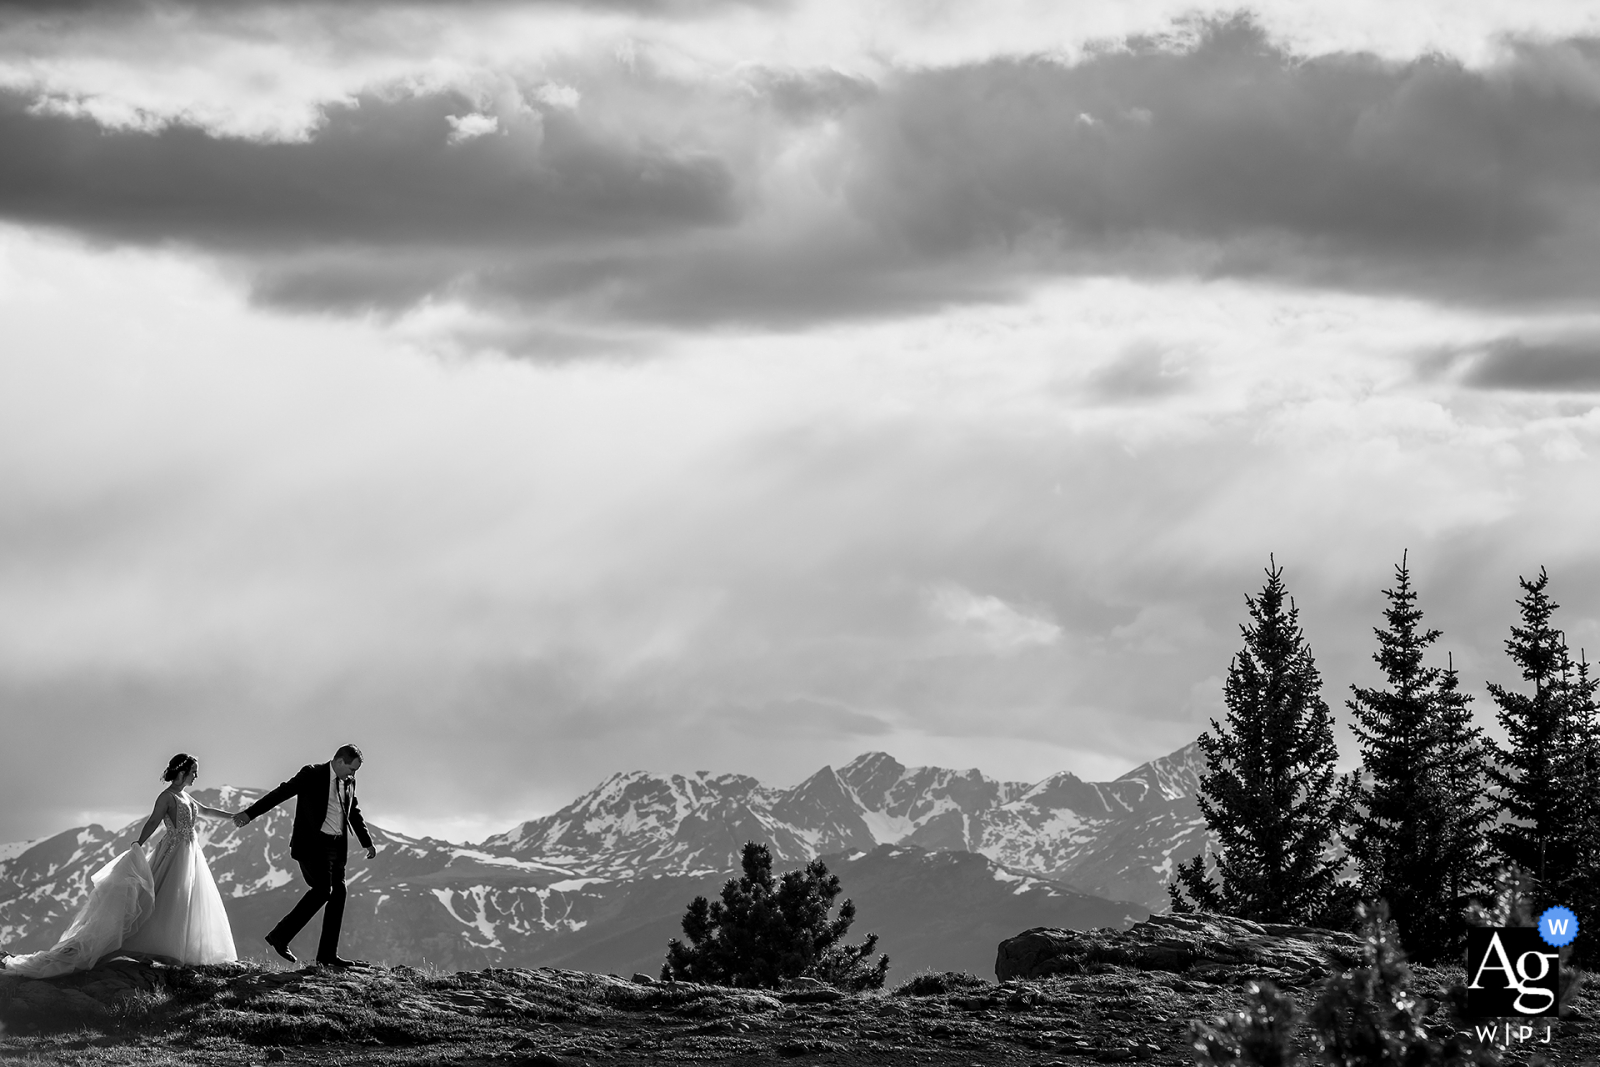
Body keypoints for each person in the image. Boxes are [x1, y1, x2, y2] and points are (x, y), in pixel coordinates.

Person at [0, 754, 240, 978]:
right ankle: (157, 948)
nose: (196, 777)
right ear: (182, 773)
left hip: (189, 852)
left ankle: (178, 949)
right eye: (193, 772)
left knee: (183, 897)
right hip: (175, 850)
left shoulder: (186, 797)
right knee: (166, 896)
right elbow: (154, 821)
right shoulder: (167, 797)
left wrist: (234, 817)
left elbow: (206, 811)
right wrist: (139, 844)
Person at [235, 744, 376, 968]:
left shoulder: (349, 782)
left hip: (337, 846)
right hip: (312, 845)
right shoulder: (312, 774)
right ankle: (280, 936)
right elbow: (280, 794)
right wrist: (249, 814)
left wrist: (366, 842)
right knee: (322, 890)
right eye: (351, 769)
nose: (353, 774)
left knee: (339, 893)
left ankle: (327, 956)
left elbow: (353, 810)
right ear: (339, 762)